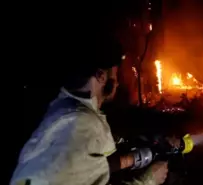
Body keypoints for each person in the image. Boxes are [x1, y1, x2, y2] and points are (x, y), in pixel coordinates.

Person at [11, 15, 177, 185]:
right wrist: (147, 181)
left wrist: (138, 157)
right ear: (100, 76)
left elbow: (91, 166)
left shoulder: (64, 109)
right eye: (115, 74)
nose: (118, 82)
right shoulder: (82, 126)